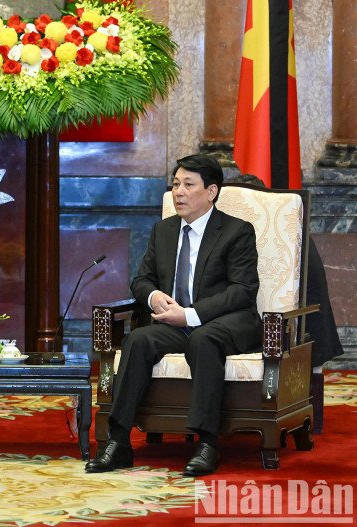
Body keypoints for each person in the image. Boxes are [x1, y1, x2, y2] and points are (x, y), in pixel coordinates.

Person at [85, 154, 262, 477]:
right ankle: (119, 441)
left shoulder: (236, 231)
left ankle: (207, 443)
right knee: (138, 340)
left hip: (225, 322)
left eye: (188, 185)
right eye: (176, 184)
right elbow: (141, 280)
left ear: (211, 192)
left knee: (204, 339)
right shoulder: (164, 230)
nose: (179, 192)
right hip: (175, 322)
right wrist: (154, 297)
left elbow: (242, 291)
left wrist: (191, 315)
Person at [230, 173, 343, 434]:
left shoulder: (284, 227)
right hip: (285, 314)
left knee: (309, 363)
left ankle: (307, 422)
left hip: (301, 315)